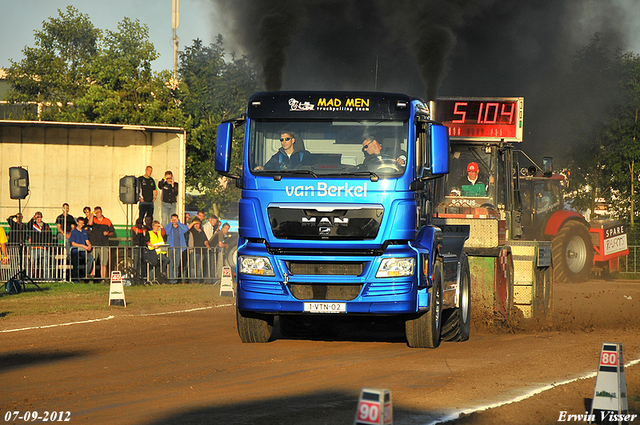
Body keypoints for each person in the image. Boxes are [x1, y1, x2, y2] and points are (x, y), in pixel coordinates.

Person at [88, 206, 115, 279]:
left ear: (101, 212)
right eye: (96, 212)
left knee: (103, 263)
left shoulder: (107, 221)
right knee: (93, 261)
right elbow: (90, 223)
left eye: (99, 212)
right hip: (94, 243)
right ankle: (92, 278)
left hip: (104, 244)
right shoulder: (93, 219)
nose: (98, 214)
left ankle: (103, 278)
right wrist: (92, 214)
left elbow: (112, 232)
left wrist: (108, 233)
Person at [27, 211, 53, 279]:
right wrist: (33, 218)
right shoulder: (33, 225)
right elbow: (28, 225)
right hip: (34, 247)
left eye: (39, 217)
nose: (38, 219)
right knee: (32, 264)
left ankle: (47, 278)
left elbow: (50, 234)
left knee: (45, 265)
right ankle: (30, 278)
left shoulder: (45, 225)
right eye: (37, 217)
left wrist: (48, 242)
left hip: (43, 247)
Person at [164, 214, 189, 282]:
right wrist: (170, 223)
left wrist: (178, 223)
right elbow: (166, 232)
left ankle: (175, 279)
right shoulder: (169, 227)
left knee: (177, 264)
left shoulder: (180, 228)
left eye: (175, 219)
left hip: (179, 248)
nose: (174, 221)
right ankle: (170, 279)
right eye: (173, 219)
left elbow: (186, 229)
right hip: (171, 248)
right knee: (171, 264)